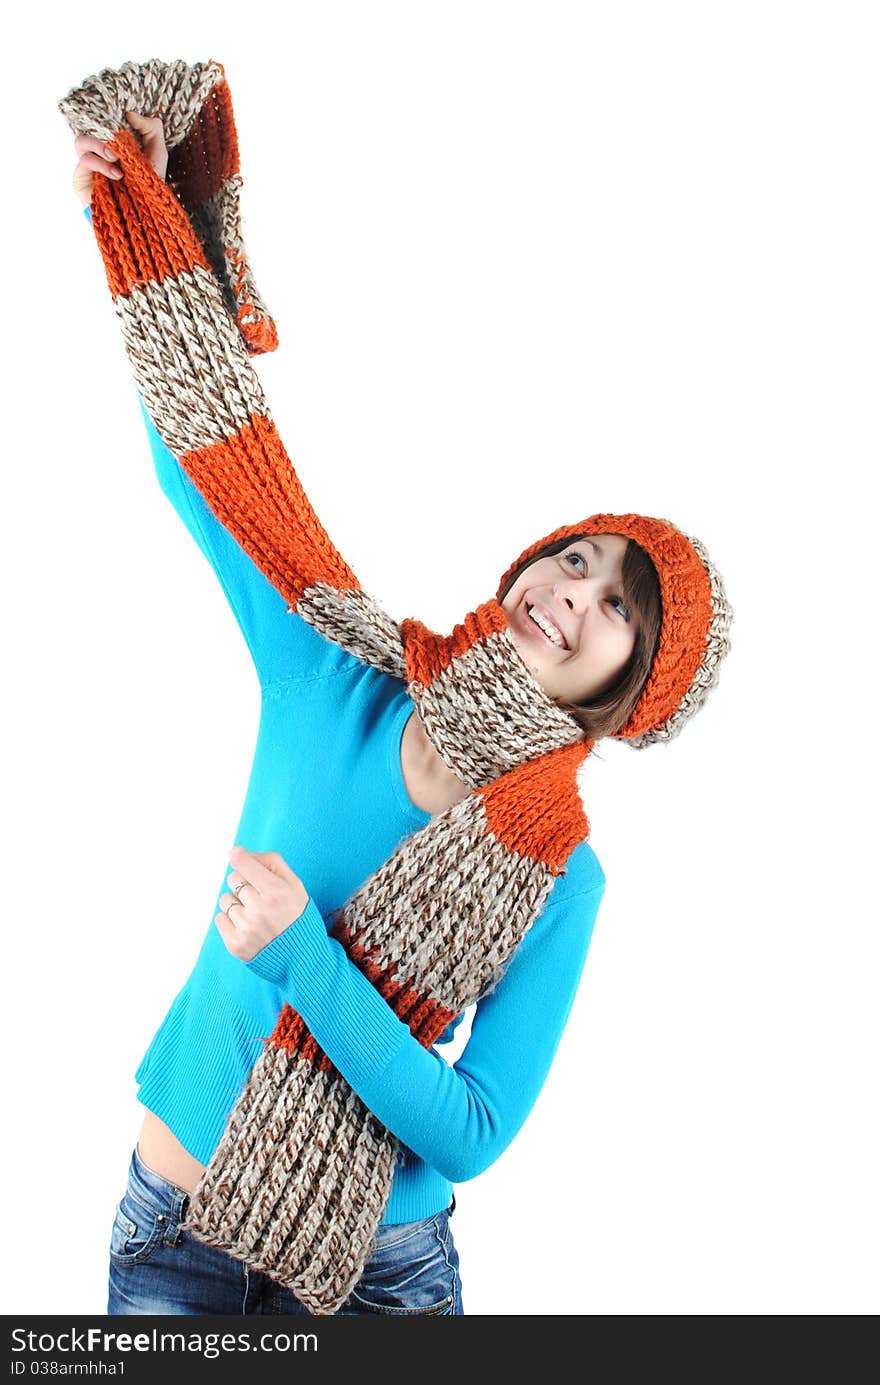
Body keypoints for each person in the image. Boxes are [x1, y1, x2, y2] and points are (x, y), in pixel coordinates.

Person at [70, 111, 728, 1317]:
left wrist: (304, 962)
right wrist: (137, 224)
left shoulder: (558, 876)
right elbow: (213, 473)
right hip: (172, 1237)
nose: (575, 591)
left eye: (619, 604)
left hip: (379, 1275)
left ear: (629, 693)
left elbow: (473, 1128)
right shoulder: (335, 670)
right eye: (575, 557)